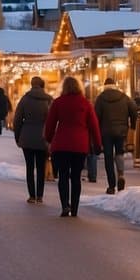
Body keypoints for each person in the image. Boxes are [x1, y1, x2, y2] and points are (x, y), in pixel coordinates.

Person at [44, 76, 101, 218]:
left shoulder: (58, 103)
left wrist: (49, 139)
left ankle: (65, 205)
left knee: (63, 175)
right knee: (76, 176)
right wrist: (98, 144)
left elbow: (50, 124)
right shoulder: (85, 104)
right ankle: (74, 208)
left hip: (61, 144)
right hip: (79, 145)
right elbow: (94, 126)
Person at [13, 76, 53, 204]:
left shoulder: (25, 99)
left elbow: (17, 119)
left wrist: (18, 136)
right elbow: (52, 120)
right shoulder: (48, 100)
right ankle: (40, 195)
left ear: (31, 85)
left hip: (27, 136)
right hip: (43, 136)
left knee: (29, 167)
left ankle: (32, 195)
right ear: (42, 85)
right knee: (41, 167)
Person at [95, 77, 135, 194]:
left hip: (106, 132)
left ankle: (111, 185)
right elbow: (133, 109)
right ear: (115, 85)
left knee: (108, 157)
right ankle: (121, 174)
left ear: (105, 86)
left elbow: (96, 116)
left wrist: (96, 131)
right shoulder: (124, 97)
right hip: (121, 131)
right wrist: (132, 125)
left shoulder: (101, 98)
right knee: (119, 152)